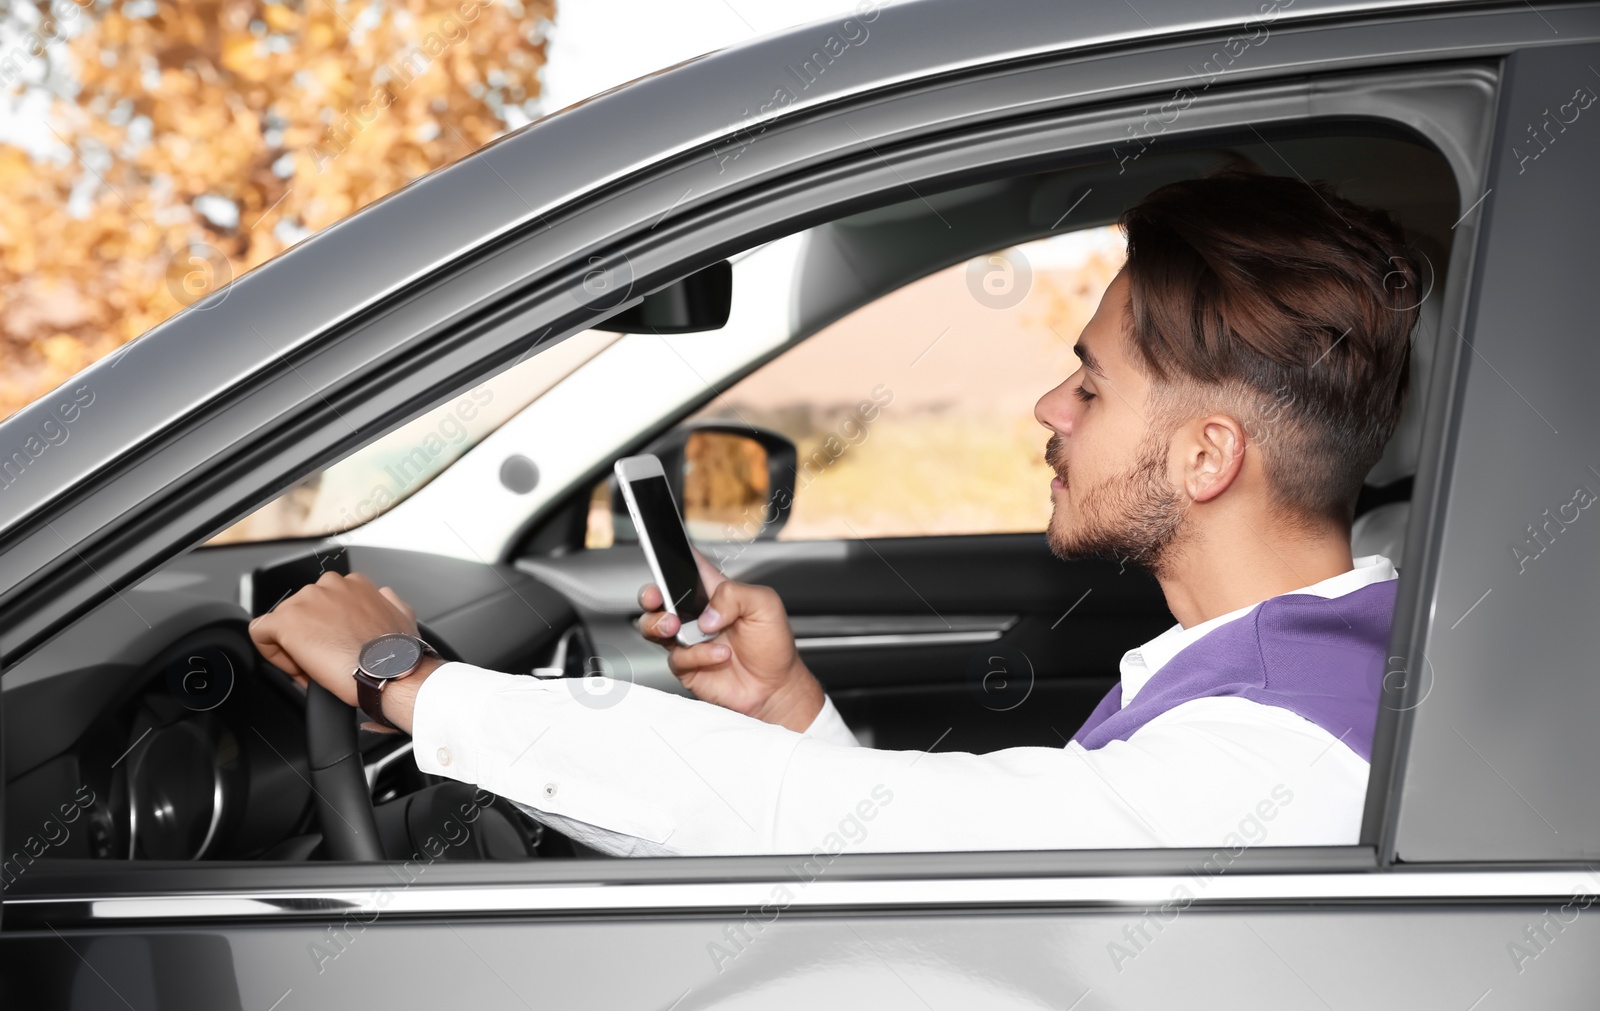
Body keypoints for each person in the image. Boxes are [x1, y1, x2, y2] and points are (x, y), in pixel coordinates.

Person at [249, 171, 1421, 857]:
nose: (1047, 405)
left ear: (1208, 454)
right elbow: (953, 856)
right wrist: (789, 708)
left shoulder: (1282, 749)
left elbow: (844, 829)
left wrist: (407, 675)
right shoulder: (1283, 663)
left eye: (1094, 383)